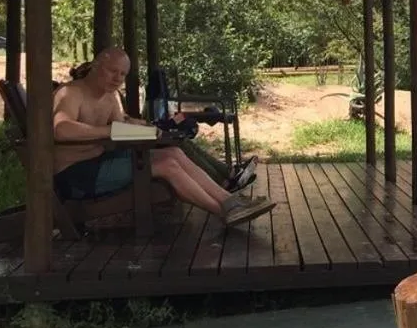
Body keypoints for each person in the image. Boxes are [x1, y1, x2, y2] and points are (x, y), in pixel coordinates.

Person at [53, 48, 275, 228]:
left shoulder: (110, 96)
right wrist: (109, 130)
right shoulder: (70, 93)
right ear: (95, 65)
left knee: (173, 152)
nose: (117, 78)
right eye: (112, 71)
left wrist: (145, 128)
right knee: (166, 165)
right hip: (75, 175)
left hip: (102, 162)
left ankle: (230, 202)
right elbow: (61, 129)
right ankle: (223, 213)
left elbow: (120, 127)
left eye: (122, 74)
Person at [67, 59, 257, 192]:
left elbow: (124, 120)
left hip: (137, 138)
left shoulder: (106, 97)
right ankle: (224, 181)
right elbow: (117, 127)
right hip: (127, 150)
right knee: (177, 144)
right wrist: (140, 127)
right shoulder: (82, 100)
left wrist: (144, 124)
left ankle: (228, 174)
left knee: (181, 139)